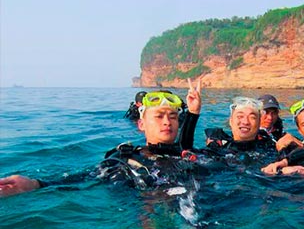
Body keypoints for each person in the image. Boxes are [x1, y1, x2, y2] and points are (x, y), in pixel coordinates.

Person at [0, 83, 204, 197]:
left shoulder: (191, 155)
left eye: (173, 117)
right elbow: (85, 179)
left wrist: (193, 113)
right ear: (141, 124)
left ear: (179, 123)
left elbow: (185, 146)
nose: (167, 122)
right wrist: (36, 183)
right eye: (159, 116)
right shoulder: (124, 159)